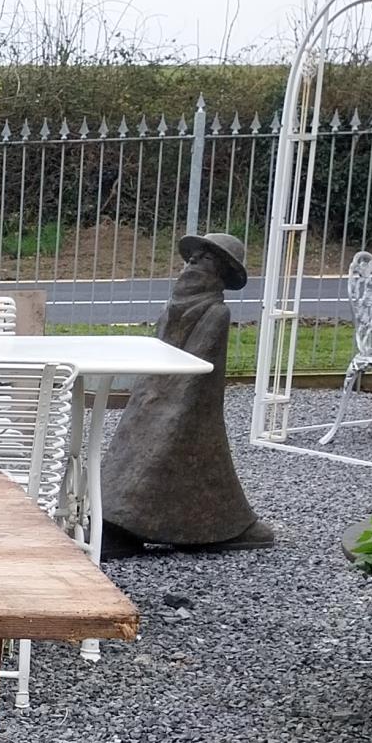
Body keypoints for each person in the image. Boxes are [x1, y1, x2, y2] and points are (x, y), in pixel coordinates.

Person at [100, 232, 274, 553]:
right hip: (154, 392)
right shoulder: (172, 308)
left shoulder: (215, 313)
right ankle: (117, 519)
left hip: (188, 399)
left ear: (220, 272)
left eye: (204, 259)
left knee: (180, 449)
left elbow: (197, 373)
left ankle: (200, 525)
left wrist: (167, 409)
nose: (191, 264)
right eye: (191, 258)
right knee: (136, 440)